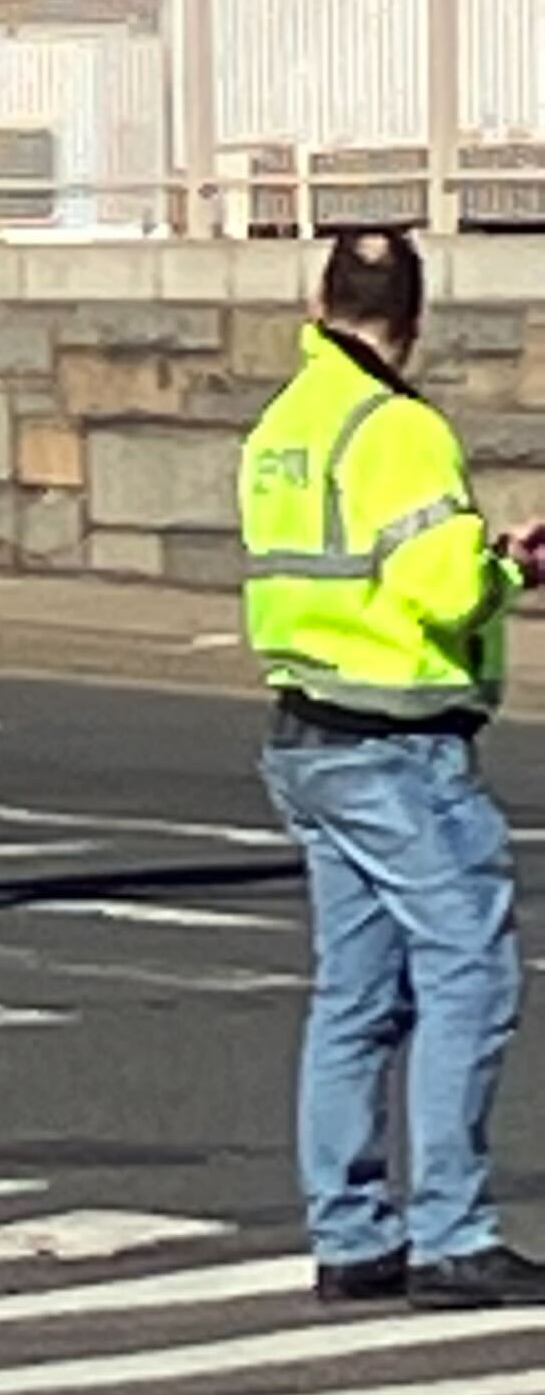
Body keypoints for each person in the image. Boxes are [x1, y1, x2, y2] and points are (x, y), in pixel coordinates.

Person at [243, 228, 545, 1306]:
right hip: (398, 740)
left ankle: (352, 1236)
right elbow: (437, 589)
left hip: (307, 733)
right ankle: (454, 1230)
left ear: (322, 299)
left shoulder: (286, 425)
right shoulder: (400, 429)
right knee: (471, 971)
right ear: (413, 321)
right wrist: (505, 567)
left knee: (355, 996)